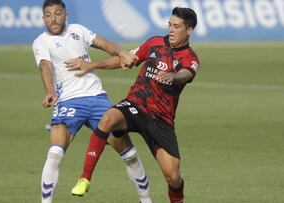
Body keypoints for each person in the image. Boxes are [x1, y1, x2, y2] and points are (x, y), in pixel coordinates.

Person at [68, 7, 200, 203]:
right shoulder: (154, 43)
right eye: (170, 25)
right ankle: (85, 178)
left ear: (189, 30)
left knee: (173, 178)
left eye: (177, 26)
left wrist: (173, 76)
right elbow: (127, 59)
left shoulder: (191, 58)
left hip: (160, 120)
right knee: (108, 118)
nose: (171, 30)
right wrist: (92, 64)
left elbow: (186, 74)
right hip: (135, 105)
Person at [32, 0, 152, 202]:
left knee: (129, 154)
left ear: (66, 15)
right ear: (43, 18)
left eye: (58, 13)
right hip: (69, 102)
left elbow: (104, 44)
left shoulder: (78, 30)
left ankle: (147, 200)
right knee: (54, 153)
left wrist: (121, 52)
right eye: (49, 14)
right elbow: (44, 66)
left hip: (97, 98)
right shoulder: (41, 42)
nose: (53, 18)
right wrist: (50, 91)